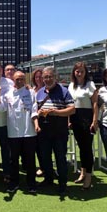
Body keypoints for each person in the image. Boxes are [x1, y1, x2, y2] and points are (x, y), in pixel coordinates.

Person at [0, 71, 40, 193]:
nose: (19, 81)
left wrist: (36, 125)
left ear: (25, 80)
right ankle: (14, 183)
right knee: (13, 160)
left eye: (21, 79)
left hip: (29, 131)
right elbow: (0, 108)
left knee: (30, 159)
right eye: (17, 79)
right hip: (13, 132)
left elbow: (34, 110)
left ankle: (31, 184)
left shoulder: (30, 92)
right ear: (13, 80)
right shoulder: (8, 94)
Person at [36, 66, 75, 195]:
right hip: (44, 130)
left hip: (59, 130)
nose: (48, 79)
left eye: (50, 77)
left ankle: (62, 183)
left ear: (55, 77)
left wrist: (56, 112)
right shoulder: (40, 92)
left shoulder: (63, 91)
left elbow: (72, 109)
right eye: (45, 77)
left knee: (60, 158)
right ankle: (48, 179)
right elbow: (35, 111)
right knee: (45, 157)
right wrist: (40, 113)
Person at [68, 62, 98, 189]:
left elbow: (95, 104)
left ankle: (89, 176)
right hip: (75, 117)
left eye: (81, 71)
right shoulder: (71, 85)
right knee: (81, 146)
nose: (79, 73)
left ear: (85, 73)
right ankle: (83, 172)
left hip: (87, 118)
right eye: (77, 71)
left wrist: (95, 121)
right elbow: (69, 104)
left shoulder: (90, 85)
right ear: (74, 72)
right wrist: (68, 120)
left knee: (87, 148)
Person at [31, 68, 44, 177]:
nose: (38, 79)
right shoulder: (32, 89)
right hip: (32, 120)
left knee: (41, 146)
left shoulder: (46, 90)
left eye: (40, 77)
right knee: (34, 145)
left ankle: (43, 167)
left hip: (43, 120)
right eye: (36, 77)